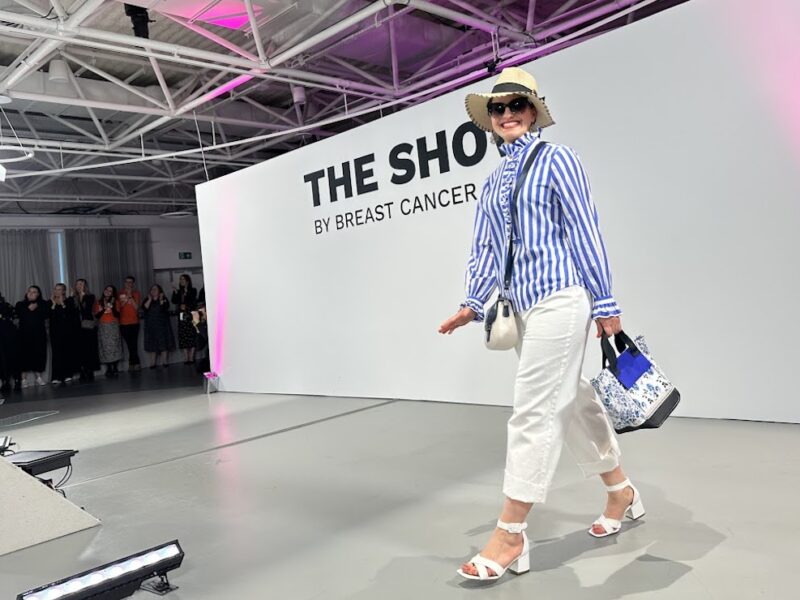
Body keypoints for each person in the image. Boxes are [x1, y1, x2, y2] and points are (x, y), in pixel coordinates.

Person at [439, 68, 640, 582]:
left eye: (517, 106)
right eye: (498, 109)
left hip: (562, 298)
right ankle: (621, 491)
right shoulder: (492, 181)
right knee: (570, 401)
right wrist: (472, 300)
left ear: (533, 112)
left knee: (532, 410)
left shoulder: (558, 160)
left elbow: (584, 230)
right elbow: (486, 248)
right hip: (518, 307)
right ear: (491, 119)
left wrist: (605, 303)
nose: (507, 115)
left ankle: (510, 534)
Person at [15, 285, 49, 387]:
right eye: (29, 291)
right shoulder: (20, 304)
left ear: (38, 294)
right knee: (23, 356)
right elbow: (19, 314)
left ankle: (38, 378)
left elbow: (46, 314)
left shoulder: (43, 304)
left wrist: (37, 306)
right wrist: (28, 309)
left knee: (38, 355)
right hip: (24, 335)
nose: (31, 293)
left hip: (39, 334)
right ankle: (23, 380)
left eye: (34, 291)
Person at [49, 283, 79, 385]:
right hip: (55, 332)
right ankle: (56, 376)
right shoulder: (49, 302)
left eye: (59, 289)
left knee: (67, 352)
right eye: (55, 289)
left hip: (67, 331)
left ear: (63, 291)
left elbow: (70, 316)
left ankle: (67, 374)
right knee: (56, 354)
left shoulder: (69, 301)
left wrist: (62, 304)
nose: (57, 291)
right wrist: (53, 304)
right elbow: (50, 317)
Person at [73, 279, 100, 381]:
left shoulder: (90, 297)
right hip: (77, 328)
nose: (79, 286)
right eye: (77, 284)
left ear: (85, 286)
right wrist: (76, 298)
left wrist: (82, 296)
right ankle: (82, 370)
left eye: (81, 284)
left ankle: (90, 370)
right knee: (80, 349)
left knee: (90, 348)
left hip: (88, 327)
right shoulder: (72, 298)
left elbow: (86, 310)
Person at [94, 285, 123, 377]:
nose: (107, 292)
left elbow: (117, 314)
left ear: (112, 293)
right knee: (105, 347)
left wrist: (112, 306)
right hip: (103, 326)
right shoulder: (99, 302)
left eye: (110, 291)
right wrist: (104, 308)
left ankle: (115, 367)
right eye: (106, 289)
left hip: (113, 325)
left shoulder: (116, 302)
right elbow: (97, 316)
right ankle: (109, 367)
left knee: (114, 346)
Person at [142, 284, 174, 368]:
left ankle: (165, 362)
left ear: (159, 291)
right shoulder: (147, 299)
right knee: (152, 344)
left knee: (163, 343)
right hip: (151, 325)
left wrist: (160, 299)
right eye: (152, 289)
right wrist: (149, 299)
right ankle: (152, 363)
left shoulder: (163, 299)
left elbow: (165, 307)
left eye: (155, 289)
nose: (153, 290)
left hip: (162, 325)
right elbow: (144, 308)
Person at [172, 274, 197, 365]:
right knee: (183, 334)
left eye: (183, 279)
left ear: (187, 281)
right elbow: (174, 301)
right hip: (182, 314)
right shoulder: (179, 291)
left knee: (192, 334)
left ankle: (191, 357)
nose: (181, 281)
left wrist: (186, 293)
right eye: (180, 279)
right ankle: (186, 357)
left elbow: (193, 300)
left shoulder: (193, 290)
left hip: (190, 314)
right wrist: (175, 292)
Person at [119, 275, 142, 371]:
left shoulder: (136, 293)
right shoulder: (120, 293)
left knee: (134, 343)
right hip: (123, 323)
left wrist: (130, 296)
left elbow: (136, 308)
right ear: (124, 283)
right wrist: (126, 296)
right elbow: (120, 307)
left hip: (134, 322)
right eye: (127, 282)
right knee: (129, 344)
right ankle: (134, 362)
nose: (128, 284)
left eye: (130, 282)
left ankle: (133, 364)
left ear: (133, 284)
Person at [0, 293, 21, 391]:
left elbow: (16, 319)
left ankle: (17, 380)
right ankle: (5, 381)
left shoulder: (6, 305)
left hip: (9, 333)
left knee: (12, 357)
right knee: (2, 359)